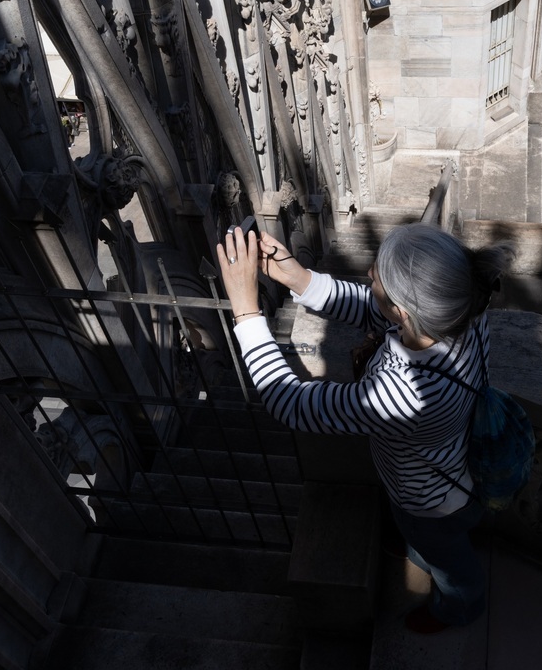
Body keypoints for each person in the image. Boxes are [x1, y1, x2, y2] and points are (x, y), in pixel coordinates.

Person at [217, 222, 513, 634]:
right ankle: (416, 545)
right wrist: (299, 278)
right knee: (422, 534)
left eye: (376, 277)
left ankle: (459, 607)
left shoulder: (403, 393)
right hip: (455, 465)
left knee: (452, 565)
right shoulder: (465, 308)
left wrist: (247, 312)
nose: (369, 274)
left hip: (430, 502)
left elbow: (291, 403)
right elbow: (376, 308)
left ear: (404, 313)